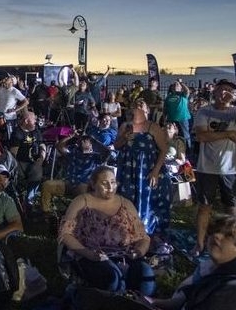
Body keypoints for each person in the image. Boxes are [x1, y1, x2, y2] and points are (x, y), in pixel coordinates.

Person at [58, 166, 154, 295]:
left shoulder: (126, 204)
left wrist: (138, 252)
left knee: (146, 273)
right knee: (112, 277)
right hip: (91, 256)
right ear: (93, 184)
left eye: (113, 182)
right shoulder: (82, 201)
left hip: (124, 255)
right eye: (104, 183)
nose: (110, 187)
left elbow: (143, 237)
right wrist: (89, 254)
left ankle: (144, 307)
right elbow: (65, 234)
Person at [191, 79, 236, 256]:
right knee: (204, 206)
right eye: (220, 90)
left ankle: (233, 242)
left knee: (231, 206)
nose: (223, 94)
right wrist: (228, 133)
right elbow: (201, 136)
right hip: (207, 166)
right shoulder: (204, 111)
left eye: (228, 91)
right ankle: (200, 243)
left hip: (232, 167)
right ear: (214, 92)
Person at [114, 98, 172, 237]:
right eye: (135, 105)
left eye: (142, 104)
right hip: (127, 169)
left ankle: (146, 231)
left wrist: (155, 172)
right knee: (127, 199)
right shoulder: (125, 126)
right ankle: (127, 230)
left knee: (147, 200)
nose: (138, 106)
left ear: (147, 110)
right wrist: (124, 138)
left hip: (147, 170)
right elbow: (116, 146)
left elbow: (164, 150)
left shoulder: (153, 127)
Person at [40, 133, 105, 213]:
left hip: (83, 186)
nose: (82, 141)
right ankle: (46, 213)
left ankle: (78, 217)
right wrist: (71, 136)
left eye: (86, 140)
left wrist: (94, 140)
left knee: (84, 192)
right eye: (82, 139)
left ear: (91, 144)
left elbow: (109, 153)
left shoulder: (95, 157)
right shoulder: (73, 152)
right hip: (68, 183)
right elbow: (59, 146)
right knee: (47, 185)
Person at [8, 110, 46, 186]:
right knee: (20, 174)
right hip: (21, 162)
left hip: (35, 162)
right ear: (26, 121)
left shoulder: (36, 131)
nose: (36, 121)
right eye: (34, 119)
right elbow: (13, 154)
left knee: (37, 173)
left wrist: (42, 158)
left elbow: (42, 145)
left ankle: (31, 195)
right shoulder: (17, 133)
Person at [164, 80, 192, 151]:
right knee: (172, 136)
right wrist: (165, 118)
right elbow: (165, 108)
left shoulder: (183, 95)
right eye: (174, 85)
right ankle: (175, 151)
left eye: (177, 85)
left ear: (181, 88)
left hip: (183, 120)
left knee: (185, 136)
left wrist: (181, 83)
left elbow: (187, 90)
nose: (175, 85)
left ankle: (187, 152)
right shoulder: (168, 97)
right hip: (171, 120)